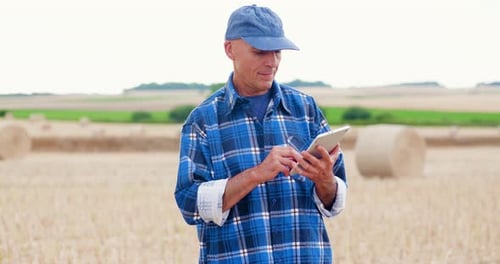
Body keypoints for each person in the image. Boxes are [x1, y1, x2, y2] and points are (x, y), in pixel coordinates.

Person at [174, 4, 347, 263]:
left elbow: (335, 199)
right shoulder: (202, 121)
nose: (272, 62)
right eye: (260, 52)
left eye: (277, 51)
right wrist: (256, 174)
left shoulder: (306, 109)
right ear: (230, 49)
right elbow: (189, 204)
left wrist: (325, 180)